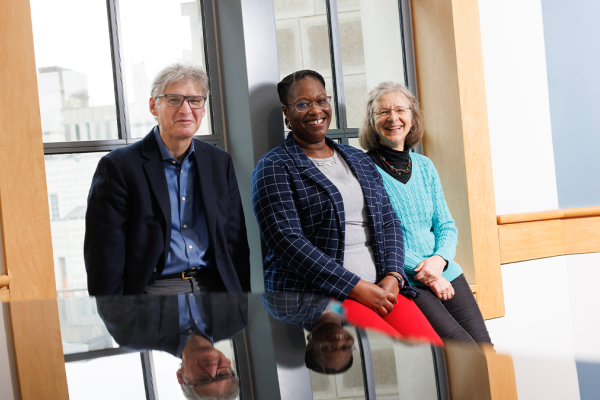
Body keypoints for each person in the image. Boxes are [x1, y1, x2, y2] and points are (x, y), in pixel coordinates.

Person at [252, 70, 442, 346]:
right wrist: (357, 287)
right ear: (286, 111)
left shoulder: (356, 158)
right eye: (302, 104)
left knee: (434, 349)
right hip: (323, 294)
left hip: (382, 286)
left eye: (321, 100)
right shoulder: (274, 167)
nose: (315, 110)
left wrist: (393, 275)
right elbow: (287, 243)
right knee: (399, 350)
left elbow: (389, 221)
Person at [84, 63, 250, 296]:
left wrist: (240, 300)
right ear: (154, 105)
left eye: (195, 100)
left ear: (203, 108)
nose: (185, 110)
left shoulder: (218, 161)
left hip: (213, 288)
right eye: (174, 100)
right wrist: (117, 314)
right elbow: (104, 252)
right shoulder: (119, 166)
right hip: (152, 291)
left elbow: (235, 241)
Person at [358, 81, 492, 346]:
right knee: (464, 351)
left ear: (412, 117)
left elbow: (446, 225)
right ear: (372, 121)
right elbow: (377, 237)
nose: (393, 118)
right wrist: (428, 274)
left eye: (400, 110)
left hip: (444, 270)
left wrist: (440, 260)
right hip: (406, 279)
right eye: (382, 112)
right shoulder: (363, 169)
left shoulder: (425, 165)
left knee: (485, 349)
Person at [96, 293, 246, 400]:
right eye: (222, 374)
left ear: (180, 376)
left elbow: (106, 273)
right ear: (228, 363)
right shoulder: (236, 318)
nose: (212, 368)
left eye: (203, 380)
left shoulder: (131, 334)